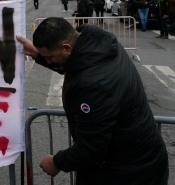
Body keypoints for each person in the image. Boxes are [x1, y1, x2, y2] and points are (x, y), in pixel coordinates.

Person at [16, 17, 169, 185]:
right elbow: (77, 63)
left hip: (129, 172)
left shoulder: (92, 84)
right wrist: (39, 54)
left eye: (50, 57)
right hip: (140, 159)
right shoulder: (99, 44)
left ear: (67, 48)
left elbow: (92, 149)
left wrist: (57, 162)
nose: (49, 61)